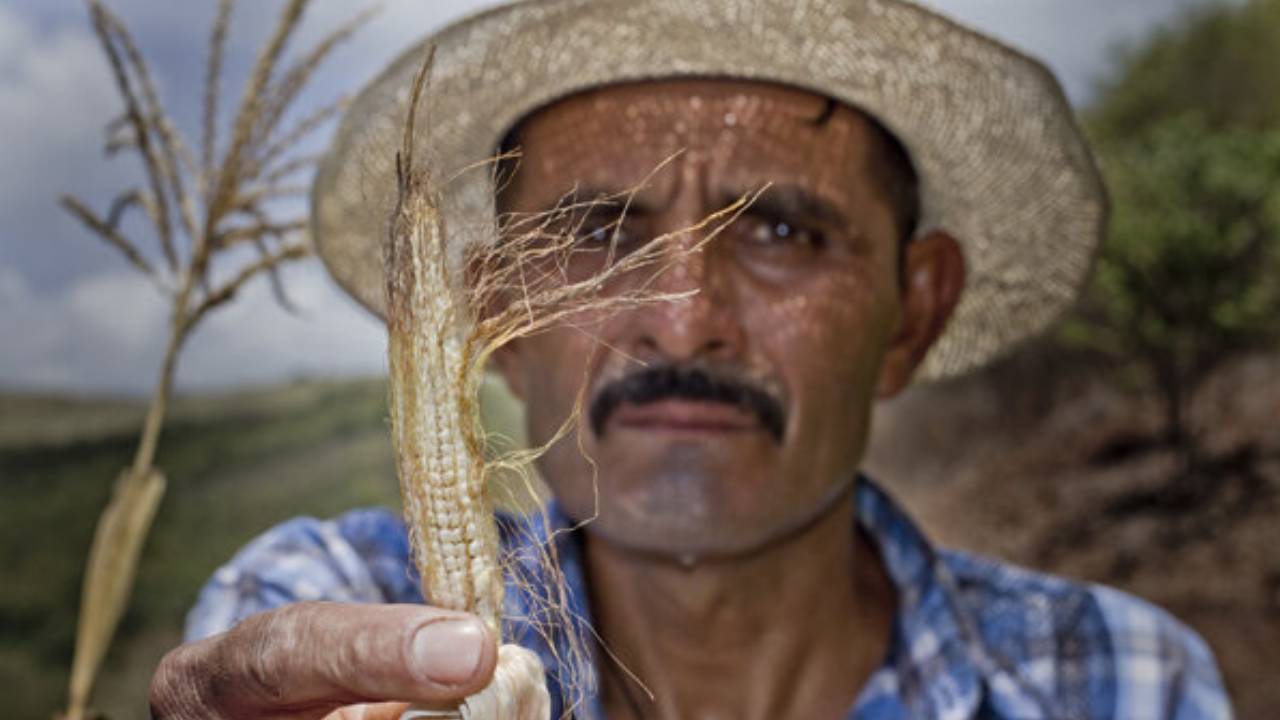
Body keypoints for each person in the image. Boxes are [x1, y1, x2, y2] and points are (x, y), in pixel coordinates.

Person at [149, 0, 1233, 718]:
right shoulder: (338, 599)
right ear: (498, 319)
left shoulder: (1117, 681)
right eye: (600, 230)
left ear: (912, 313)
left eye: (781, 232)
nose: (680, 322)